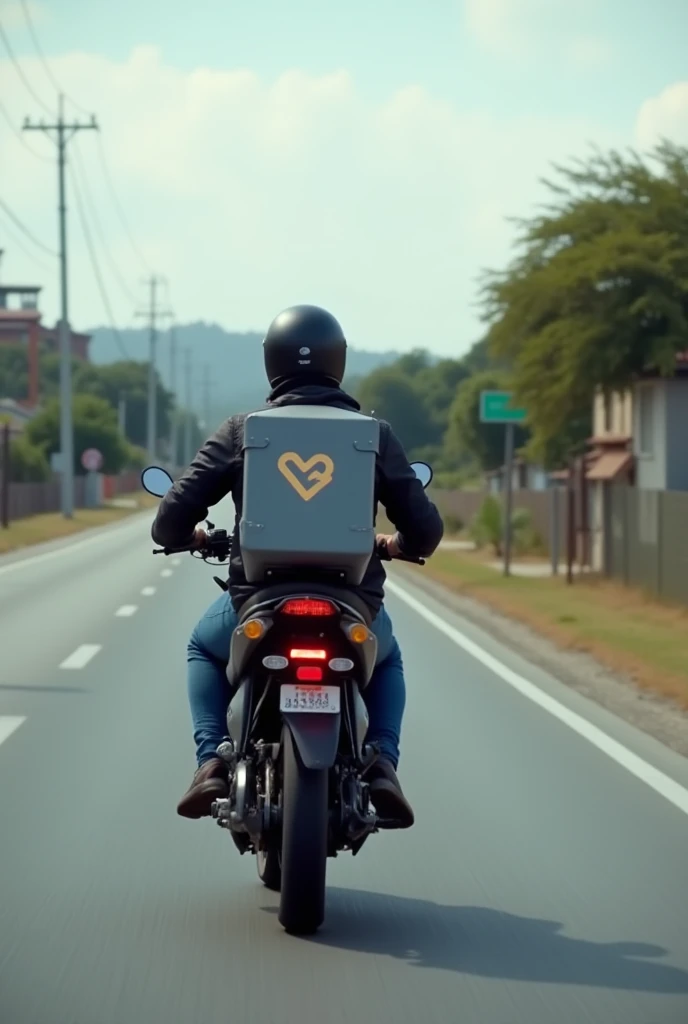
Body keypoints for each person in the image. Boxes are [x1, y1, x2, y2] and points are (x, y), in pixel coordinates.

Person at [151, 305, 444, 828]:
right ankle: (383, 763)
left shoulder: (242, 430)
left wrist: (192, 536)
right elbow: (427, 532)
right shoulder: (374, 433)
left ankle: (211, 759)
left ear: (272, 363)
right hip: (352, 600)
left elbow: (169, 520)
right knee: (389, 658)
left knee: (202, 646)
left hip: (258, 600)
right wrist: (394, 544)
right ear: (339, 362)